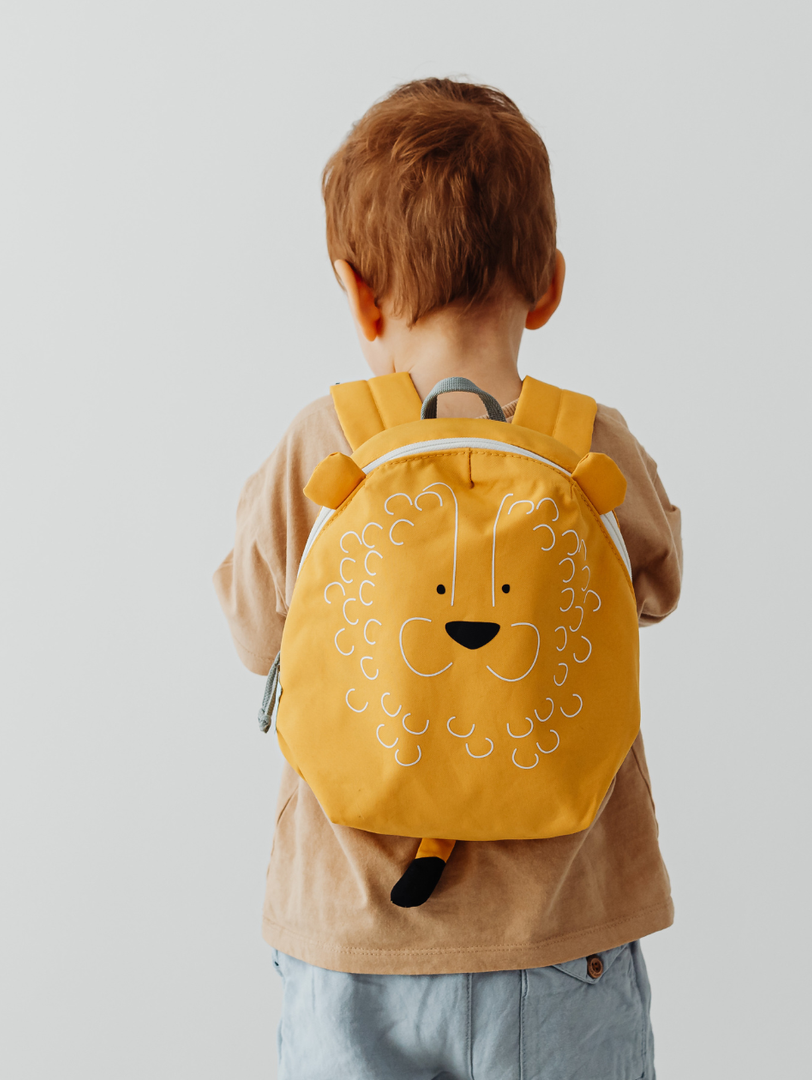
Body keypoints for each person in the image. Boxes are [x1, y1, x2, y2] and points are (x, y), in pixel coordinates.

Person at [213, 77, 684, 1080]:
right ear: (548, 284)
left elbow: (256, 633)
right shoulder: (587, 443)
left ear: (357, 289)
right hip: (560, 941)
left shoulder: (321, 444)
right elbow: (657, 584)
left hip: (349, 934)